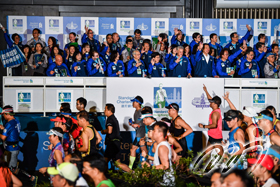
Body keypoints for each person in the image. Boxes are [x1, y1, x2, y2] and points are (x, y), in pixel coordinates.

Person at [142, 122, 175, 186]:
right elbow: (175, 157)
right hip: (163, 181)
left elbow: (165, 166)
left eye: (154, 130)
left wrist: (150, 167)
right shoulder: (164, 144)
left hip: (165, 183)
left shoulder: (162, 147)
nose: (153, 132)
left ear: (160, 134)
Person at [198, 85, 223, 155]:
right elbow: (210, 98)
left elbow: (214, 125)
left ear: (215, 104)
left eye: (211, 102)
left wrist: (203, 126)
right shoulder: (216, 109)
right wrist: (206, 91)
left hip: (216, 137)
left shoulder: (215, 113)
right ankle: (206, 165)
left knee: (221, 156)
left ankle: (228, 165)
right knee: (206, 154)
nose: (210, 103)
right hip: (212, 136)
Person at [101, 104, 122, 170]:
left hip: (112, 144)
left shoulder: (110, 119)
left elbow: (109, 131)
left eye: (105, 109)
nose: (104, 111)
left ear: (109, 110)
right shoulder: (114, 118)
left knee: (105, 161)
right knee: (118, 164)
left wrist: (103, 131)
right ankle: (132, 173)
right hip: (116, 143)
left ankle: (104, 177)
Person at [0, 106, 21, 172]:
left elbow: (3, 138)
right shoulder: (16, 121)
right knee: (12, 167)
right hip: (15, 147)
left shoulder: (8, 124)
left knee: (11, 169)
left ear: (7, 114)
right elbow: (12, 132)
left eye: (3, 115)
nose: (3, 116)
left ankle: (30, 177)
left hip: (11, 149)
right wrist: (4, 129)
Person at [128, 96, 145, 169]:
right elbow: (138, 124)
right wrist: (133, 124)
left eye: (134, 101)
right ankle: (130, 168)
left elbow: (145, 122)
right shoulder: (136, 111)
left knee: (143, 152)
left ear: (138, 103)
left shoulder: (142, 111)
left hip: (143, 135)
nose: (132, 103)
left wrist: (137, 124)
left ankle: (143, 169)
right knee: (133, 149)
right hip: (138, 134)